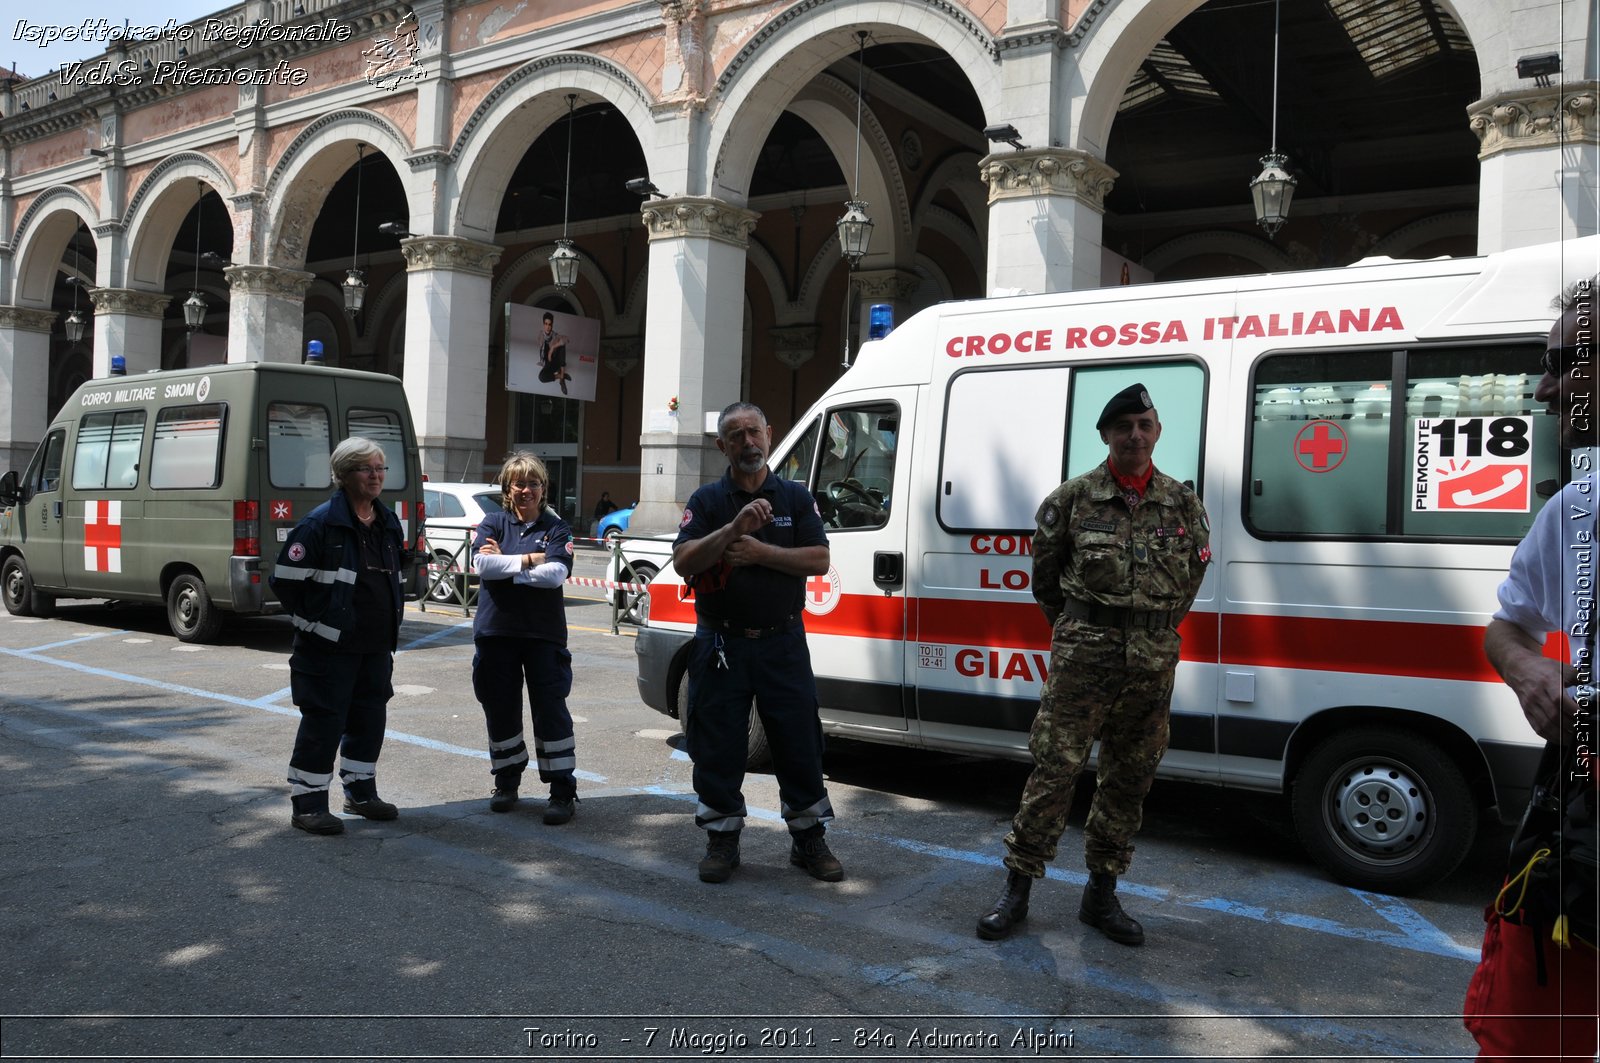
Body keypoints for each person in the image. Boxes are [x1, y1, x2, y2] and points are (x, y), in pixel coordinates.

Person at [976, 383, 1210, 945]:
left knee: (1129, 779)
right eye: (1124, 426)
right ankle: (1018, 889)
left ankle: (1102, 895)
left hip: (1151, 666)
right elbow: (1046, 584)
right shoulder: (1072, 500)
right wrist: (1087, 628)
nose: (1135, 435)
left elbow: (1191, 578)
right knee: (1054, 772)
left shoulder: (1183, 504)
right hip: (1084, 660)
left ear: (1157, 433)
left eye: (1144, 425)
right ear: (1106, 434)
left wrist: (1148, 627)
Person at [1467, 276, 1598, 1062]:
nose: (1545, 386)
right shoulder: (1575, 510)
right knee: (1532, 1040)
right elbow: (1507, 627)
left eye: (1568, 362)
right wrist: (1528, 672)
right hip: (1580, 827)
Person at [673, 401, 843, 884]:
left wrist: (759, 551)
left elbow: (818, 560)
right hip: (722, 643)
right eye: (735, 435)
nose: (747, 442)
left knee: (798, 742)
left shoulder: (793, 496)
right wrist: (733, 528)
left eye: (754, 432)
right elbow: (685, 561)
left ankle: (809, 839)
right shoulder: (707, 500)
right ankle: (722, 841)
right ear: (721, 445)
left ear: (769, 433)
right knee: (718, 744)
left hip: (782, 641)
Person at [272, 437, 408, 835]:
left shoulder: (386, 521)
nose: (377, 476)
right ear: (344, 475)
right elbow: (286, 584)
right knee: (324, 723)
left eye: (381, 468)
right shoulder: (318, 525)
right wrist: (316, 625)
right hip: (329, 648)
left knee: (369, 720)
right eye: (367, 469)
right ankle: (308, 804)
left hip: (375, 647)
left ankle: (361, 794)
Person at [470, 452, 579, 824]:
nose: (526, 490)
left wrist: (509, 565)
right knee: (500, 708)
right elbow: (482, 565)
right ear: (508, 488)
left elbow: (555, 575)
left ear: (543, 488)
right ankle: (507, 781)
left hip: (543, 635)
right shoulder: (492, 522)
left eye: (533, 483)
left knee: (551, 711)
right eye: (519, 483)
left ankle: (562, 791)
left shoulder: (556, 527)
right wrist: (532, 559)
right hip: (495, 632)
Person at [536, 311, 571, 395]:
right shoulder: (540, 335)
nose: (547, 327)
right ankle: (561, 376)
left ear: (552, 325)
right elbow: (542, 352)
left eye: (550, 324)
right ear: (543, 324)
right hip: (548, 364)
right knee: (541, 377)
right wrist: (543, 361)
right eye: (546, 324)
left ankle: (562, 378)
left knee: (562, 345)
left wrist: (553, 348)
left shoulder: (555, 335)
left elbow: (567, 339)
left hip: (556, 362)